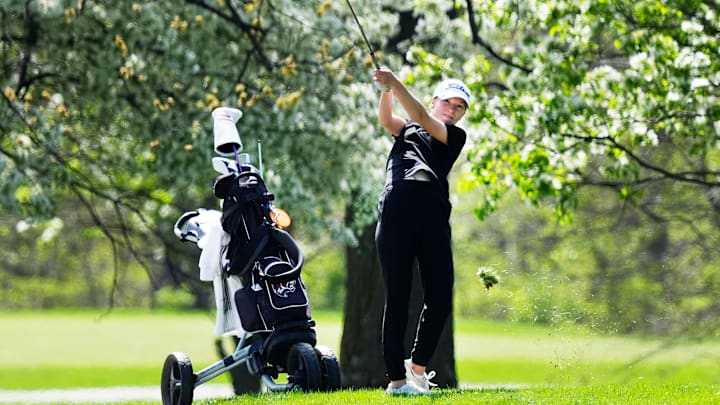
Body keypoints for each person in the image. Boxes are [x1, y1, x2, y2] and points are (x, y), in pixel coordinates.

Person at [373, 67, 471, 395]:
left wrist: (394, 82)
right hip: (398, 204)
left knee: (440, 295)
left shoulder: (453, 136)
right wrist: (386, 89)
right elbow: (388, 120)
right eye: (448, 103)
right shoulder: (407, 129)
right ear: (436, 101)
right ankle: (396, 382)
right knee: (398, 297)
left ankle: (417, 369)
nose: (453, 110)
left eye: (460, 107)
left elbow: (418, 114)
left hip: (431, 212)